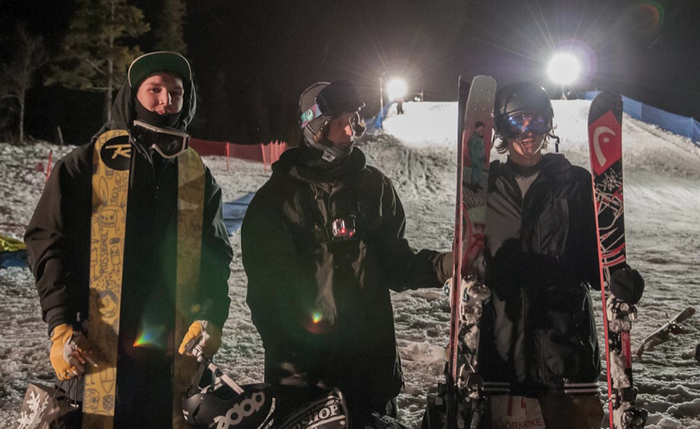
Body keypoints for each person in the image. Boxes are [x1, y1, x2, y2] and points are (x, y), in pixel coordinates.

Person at [24, 51, 233, 429]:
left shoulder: (196, 175)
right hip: (98, 353)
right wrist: (59, 324)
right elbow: (48, 242)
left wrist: (211, 315)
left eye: (176, 93)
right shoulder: (86, 164)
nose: (165, 101)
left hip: (172, 358)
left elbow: (215, 255)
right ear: (132, 95)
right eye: (154, 90)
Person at [241, 80, 452, 427]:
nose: (351, 131)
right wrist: (295, 366)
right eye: (339, 122)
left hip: (371, 374)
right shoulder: (275, 201)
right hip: (306, 382)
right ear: (315, 127)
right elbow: (268, 296)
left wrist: (442, 266)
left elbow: (397, 265)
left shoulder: (375, 187)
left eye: (354, 120)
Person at [475, 81, 644, 429]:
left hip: (566, 357)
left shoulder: (575, 184)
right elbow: (472, 259)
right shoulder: (486, 187)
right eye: (518, 122)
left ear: (548, 124)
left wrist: (619, 279)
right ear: (502, 128)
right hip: (501, 355)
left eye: (537, 121)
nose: (529, 133)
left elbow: (595, 262)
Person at [467, 121, 486, 191]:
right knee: (475, 172)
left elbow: (482, 147)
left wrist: (484, 155)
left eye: (483, 128)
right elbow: (471, 149)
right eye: (481, 128)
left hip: (481, 157)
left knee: (479, 172)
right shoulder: (474, 137)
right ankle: (473, 185)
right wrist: (473, 159)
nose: (482, 129)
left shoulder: (480, 136)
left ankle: (477, 183)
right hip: (476, 157)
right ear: (477, 128)